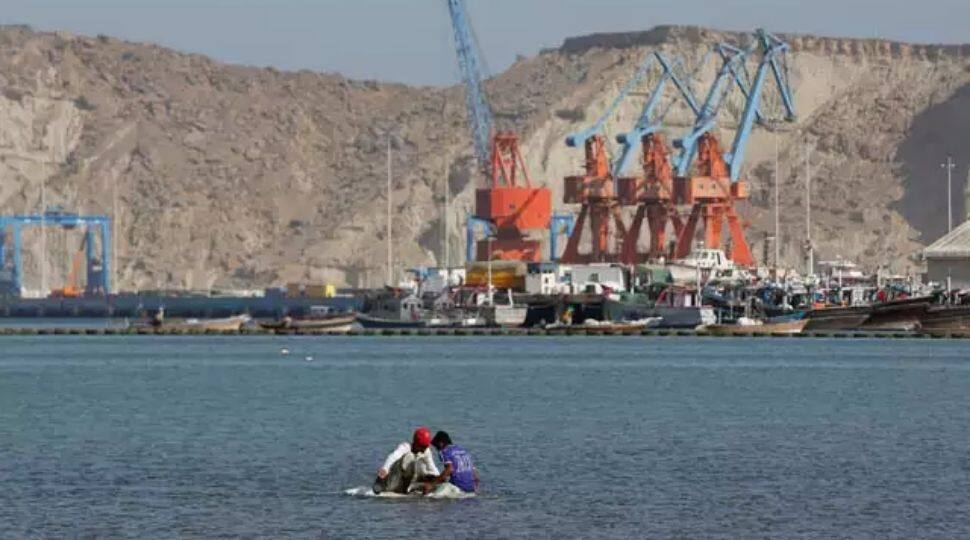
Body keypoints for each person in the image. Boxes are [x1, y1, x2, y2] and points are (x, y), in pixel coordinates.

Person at [372, 427, 439, 495]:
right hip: (398, 477)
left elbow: (432, 467)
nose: (424, 450)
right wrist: (385, 468)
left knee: (424, 467)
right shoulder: (405, 447)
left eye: (426, 447)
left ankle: (412, 487)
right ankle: (383, 484)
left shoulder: (426, 451)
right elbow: (393, 456)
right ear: (416, 444)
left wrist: (438, 479)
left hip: (413, 479)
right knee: (410, 457)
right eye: (422, 447)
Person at [423, 431, 478, 495]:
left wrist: (431, 485)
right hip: (471, 489)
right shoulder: (463, 451)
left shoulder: (444, 451)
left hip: (458, 488)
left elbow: (449, 469)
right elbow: (476, 477)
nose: (437, 449)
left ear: (441, 443)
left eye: (436, 447)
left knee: (427, 493)